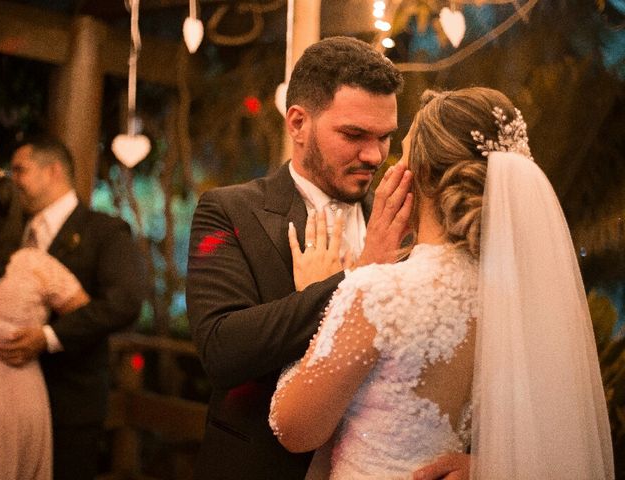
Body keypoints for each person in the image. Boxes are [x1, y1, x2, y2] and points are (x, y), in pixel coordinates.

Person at [269, 87, 615, 479]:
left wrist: (315, 298)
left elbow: (294, 428)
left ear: (422, 176)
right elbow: (548, 438)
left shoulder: (377, 292)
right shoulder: (522, 300)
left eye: (402, 154)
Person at [187, 36, 467, 479]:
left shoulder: (412, 224)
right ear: (298, 123)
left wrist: (477, 458)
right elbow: (222, 350)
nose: (374, 155)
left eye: (385, 137)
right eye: (353, 135)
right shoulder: (229, 211)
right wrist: (355, 278)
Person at [0, 136, 148, 480]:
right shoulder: (12, 233)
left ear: (52, 171)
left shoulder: (103, 231)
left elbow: (124, 303)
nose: (13, 179)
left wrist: (49, 336)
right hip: (10, 399)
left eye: (20, 170)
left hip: (71, 399)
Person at [0, 165, 90, 480]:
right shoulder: (34, 265)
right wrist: (47, 335)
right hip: (19, 392)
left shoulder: (31, 263)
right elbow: (85, 314)